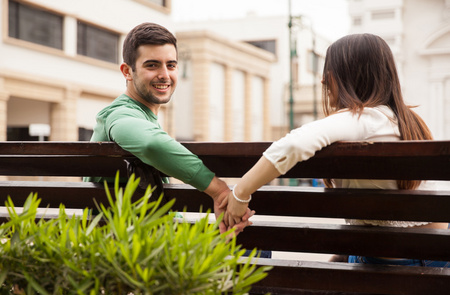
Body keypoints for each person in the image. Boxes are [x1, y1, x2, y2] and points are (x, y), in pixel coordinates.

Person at [224, 33, 450, 267]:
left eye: (329, 72)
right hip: (436, 254)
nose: (323, 81)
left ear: (347, 77)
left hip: (400, 263)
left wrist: (240, 193)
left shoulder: (365, 119)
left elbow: (293, 144)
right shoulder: (406, 120)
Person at [84, 22, 251, 234]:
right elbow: (151, 144)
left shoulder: (140, 118)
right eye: (152, 65)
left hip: (149, 244)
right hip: (134, 253)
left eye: (171, 65)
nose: (164, 75)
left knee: (242, 236)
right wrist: (218, 191)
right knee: (257, 246)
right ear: (127, 71)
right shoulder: (119, 115)